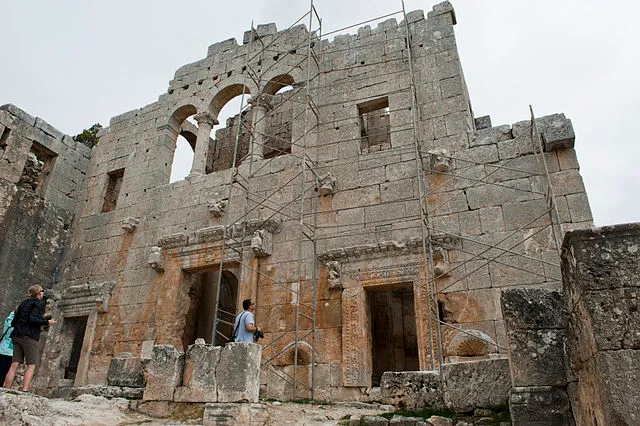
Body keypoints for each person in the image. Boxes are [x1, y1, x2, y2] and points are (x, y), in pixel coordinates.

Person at [3, 285, 56, 391]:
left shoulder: (23, 304)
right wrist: (46, 322)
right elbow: (33, 319)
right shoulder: (38, 304)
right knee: (31, 364)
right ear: (39, 293)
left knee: (14, 364)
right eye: (42, 291)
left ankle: (6, 388)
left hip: (16, 335)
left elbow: (14, 322)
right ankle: (25, 389)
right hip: (28, 337)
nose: (43, 293)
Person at [0, 309, 15, 385]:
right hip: (9, 351)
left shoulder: (8, 320)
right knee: (3, 373)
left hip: (1, 348)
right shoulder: (17, 324)